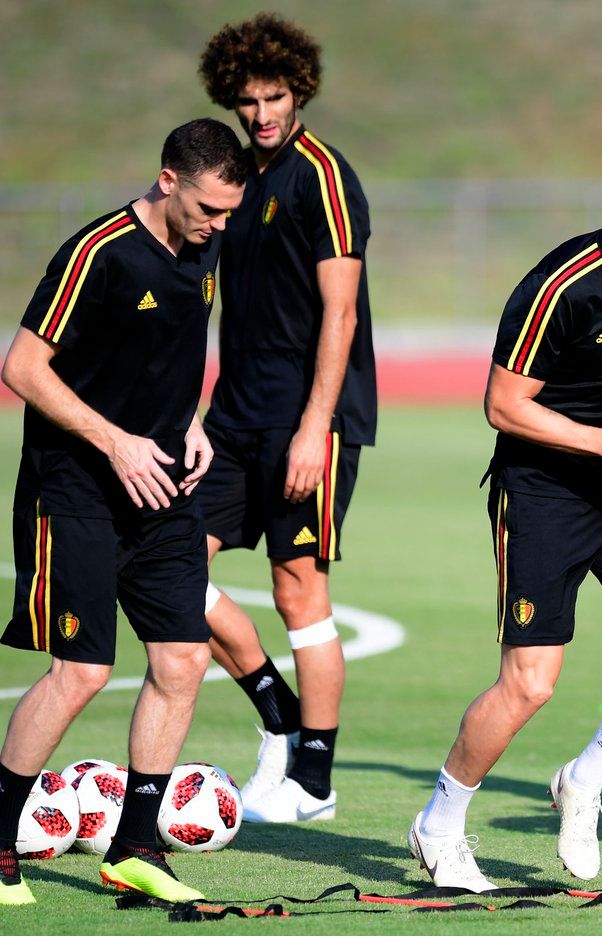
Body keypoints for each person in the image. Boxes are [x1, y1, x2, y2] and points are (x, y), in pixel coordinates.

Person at [408, 145, 602, 892]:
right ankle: (439, 825)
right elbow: (501, 406)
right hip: (544, 494)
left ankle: (583, 781)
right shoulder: (560, 287)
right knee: (530, 684)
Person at [0, 119, 246, 905]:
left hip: (164, 488)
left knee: (183, 660)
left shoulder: (205, 247)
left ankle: (135, 847)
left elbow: (166, 352)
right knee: (82, 671)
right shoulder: (97, 253)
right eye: (208, 208)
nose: (219, 225)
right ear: (168, 181)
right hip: (74, 490)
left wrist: (191, 422)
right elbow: (21, 367)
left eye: (231, 212)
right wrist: (115, 442)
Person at [196, 13, 377, 822]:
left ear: (299, 90)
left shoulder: (324, 177)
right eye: (248, 100)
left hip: (309, 422)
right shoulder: (236, 179)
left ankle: (314, 780)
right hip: (231, 416)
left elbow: (341, 313)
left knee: (297, 588)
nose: (262, 113)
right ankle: (279, 719)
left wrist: (314, 428)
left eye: (275, 97)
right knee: (168, 568)